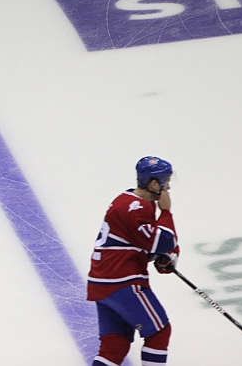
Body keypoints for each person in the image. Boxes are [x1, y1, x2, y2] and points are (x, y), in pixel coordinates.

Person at [88, 156, 178, 366]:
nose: (168, 187)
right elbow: (162, 241)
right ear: (153, 184)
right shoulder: (135, 207)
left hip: (103, 283)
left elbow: (142, 243)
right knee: (159, 331)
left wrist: (160, 256)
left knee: (115, 345)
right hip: (122, 281)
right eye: (165, 181)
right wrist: (166, 211)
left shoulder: (130, 201)